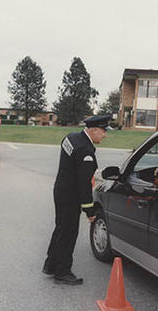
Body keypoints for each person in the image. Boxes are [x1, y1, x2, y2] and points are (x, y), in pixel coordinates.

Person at [42, 115, 112, 285]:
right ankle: (62, 272)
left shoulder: (71, 138)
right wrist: (89, 210)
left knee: (61, 229)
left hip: (60, 190)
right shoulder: (85, 151)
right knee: (68, 233)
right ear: (94, 130)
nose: (105, 135)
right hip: (70, 196)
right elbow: (84, 184)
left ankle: (51, 265)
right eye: (103, 131)